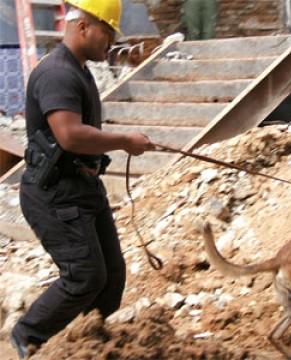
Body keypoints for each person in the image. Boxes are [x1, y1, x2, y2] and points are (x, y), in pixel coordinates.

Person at [10, 0, 154, 358]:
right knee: (84, 275)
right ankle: (28, 335)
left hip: (82, 186)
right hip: (54, 193)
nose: (110, 40)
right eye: (107, 31)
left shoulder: (80, 70)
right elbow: (70, 135)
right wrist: (125, 141)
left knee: (112, 276)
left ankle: (90, 342)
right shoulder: (57, 73)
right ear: (83, 26)